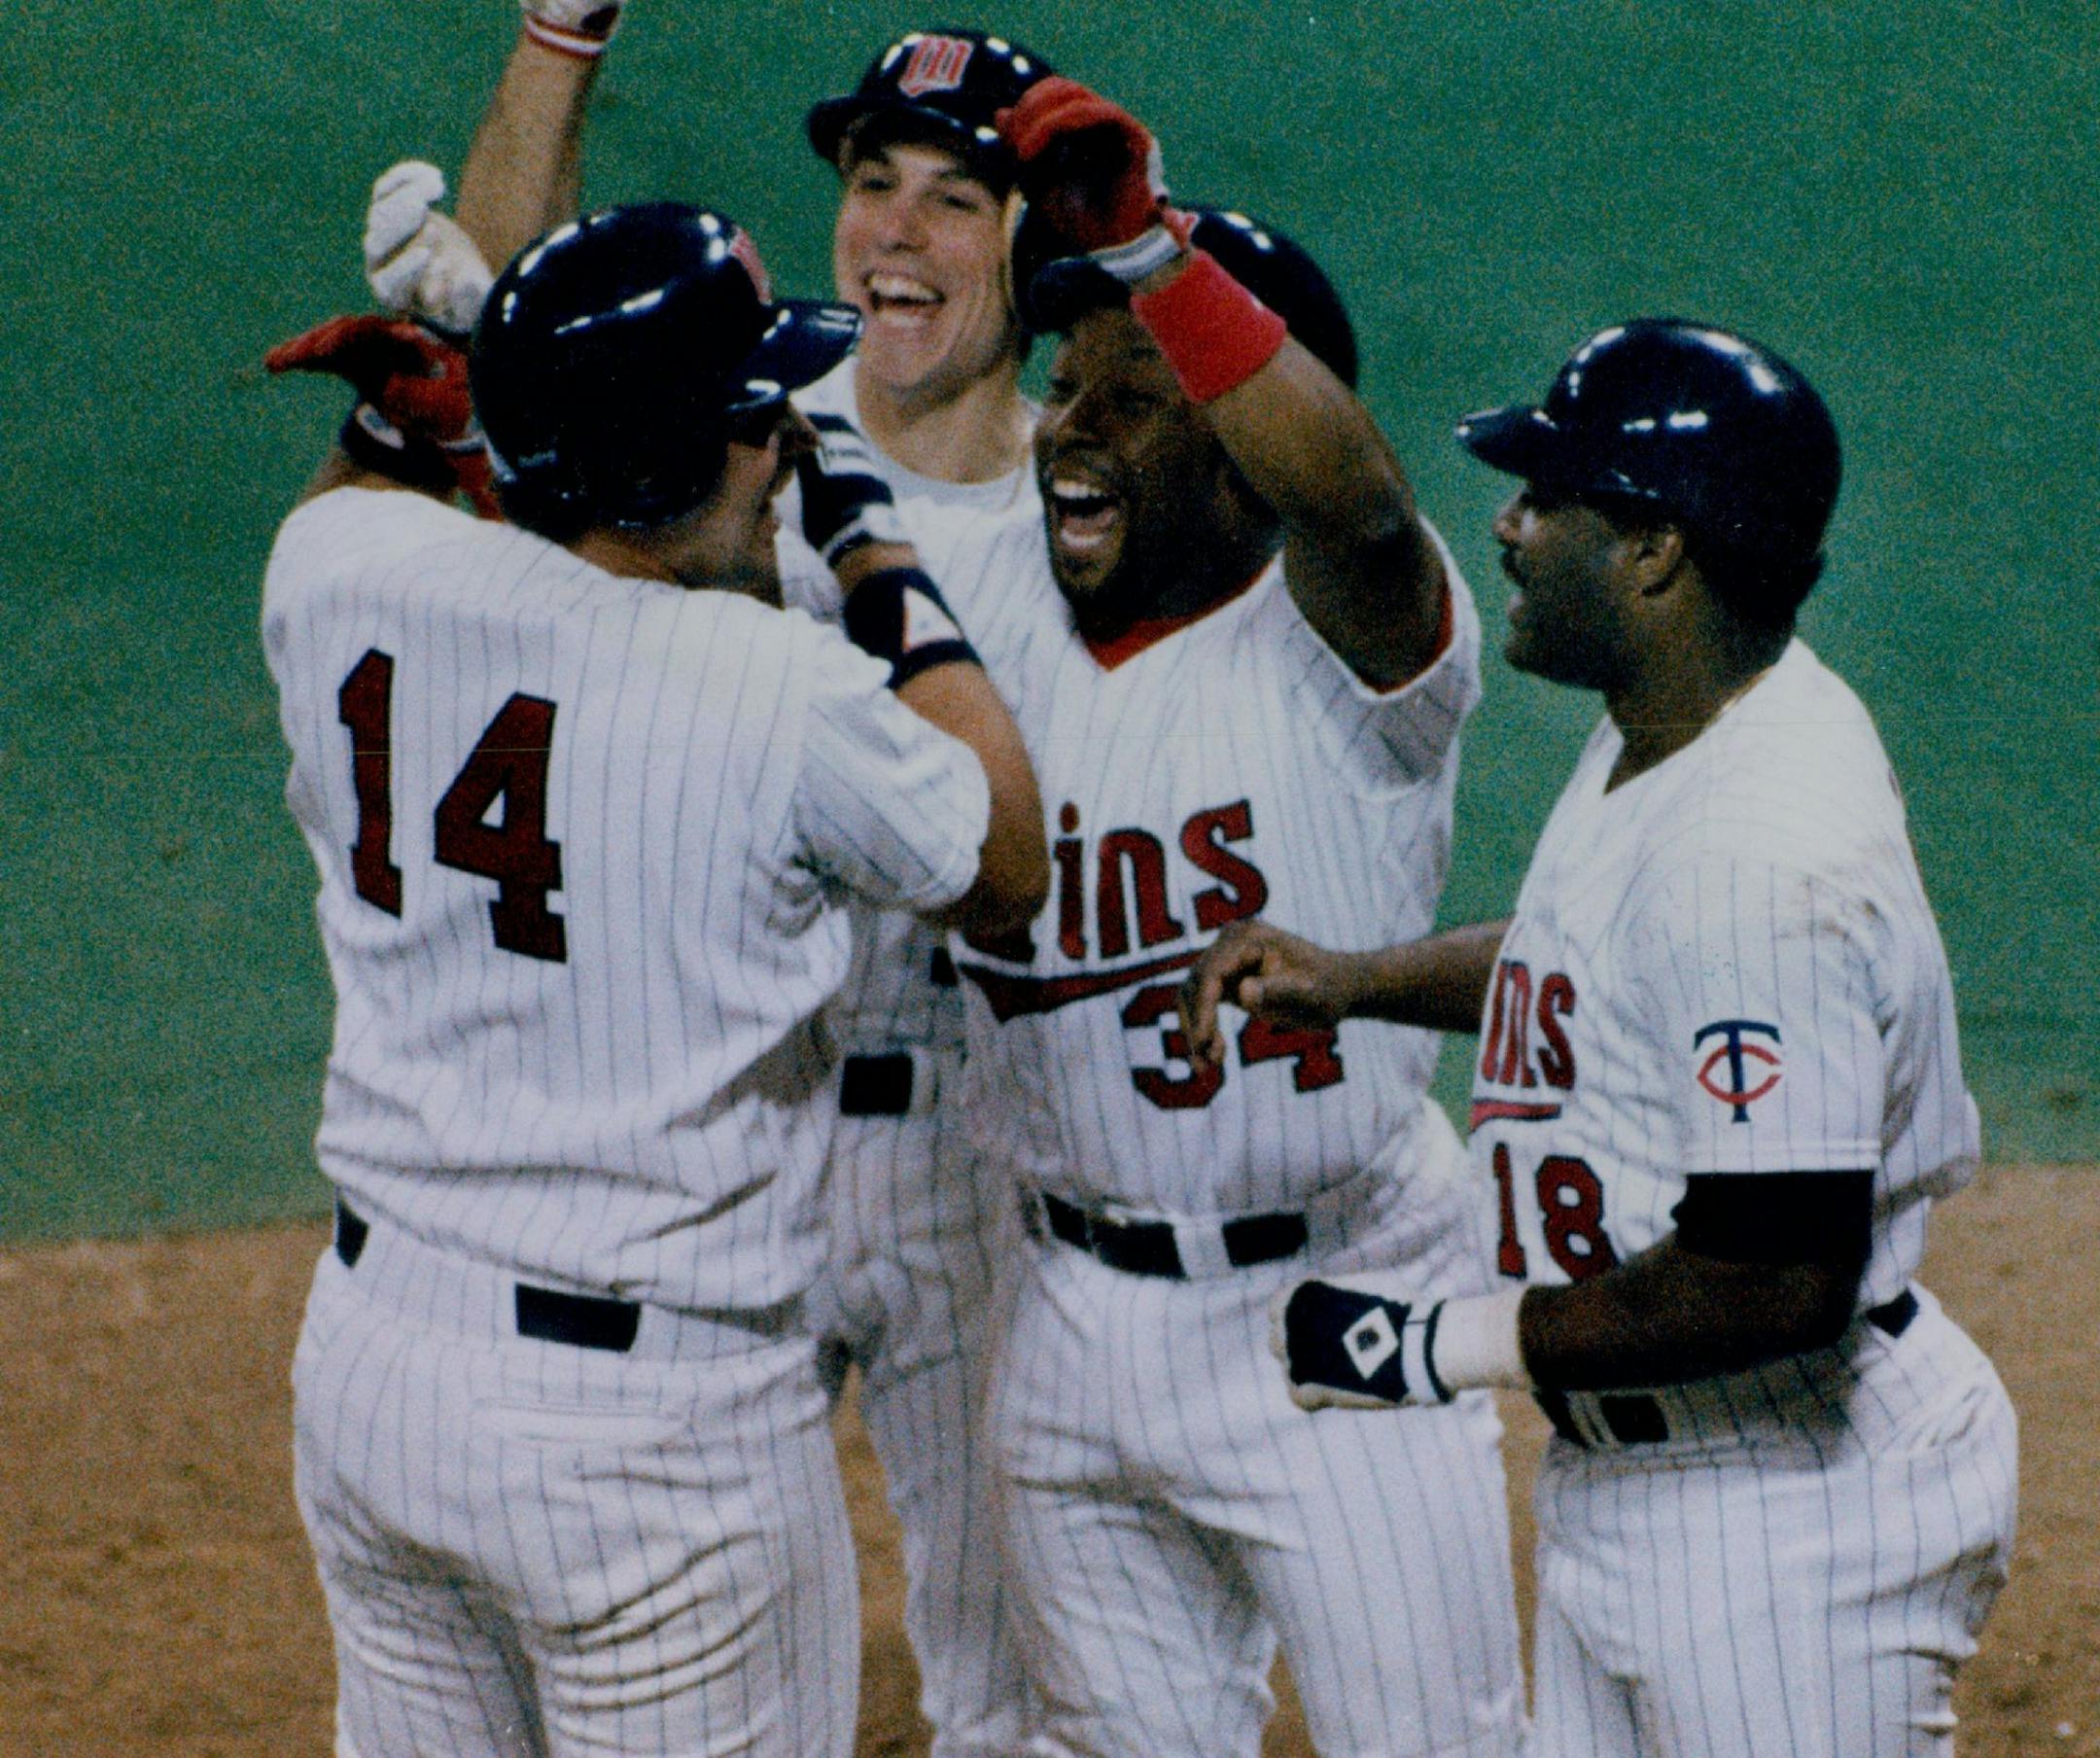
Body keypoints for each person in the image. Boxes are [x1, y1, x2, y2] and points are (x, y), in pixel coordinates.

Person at [262, 201, 1046, 1757]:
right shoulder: (773, 690)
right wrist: (874, 545)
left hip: (373, 1375)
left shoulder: (338, 566)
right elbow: (1007, 859)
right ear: (707, 452)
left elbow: (365, 498)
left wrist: (400, 422)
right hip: (646, 1452)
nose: (779, 457)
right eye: (763, 423)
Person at [1183, 318, 2018, 1756]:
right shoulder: (1685, 726)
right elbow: (1598, 972)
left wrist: (1426, 1344)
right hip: (1656, 1480)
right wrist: (1359, 979)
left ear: (1654, 551)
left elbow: (1775, 1275)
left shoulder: (1764, 854)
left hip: (1780, 1513)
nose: (1507, 523)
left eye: (1546, 495)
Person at [937, 77, 1525, 1758]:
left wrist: (1143, 249)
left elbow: (1351, 501)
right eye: (1069, 385)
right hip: (1069, 1320)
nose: (1073, 426)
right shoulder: (990, 614)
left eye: (1137, 394)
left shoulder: (1358, 650)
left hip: (1336, 1307)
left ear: (1244, 424)